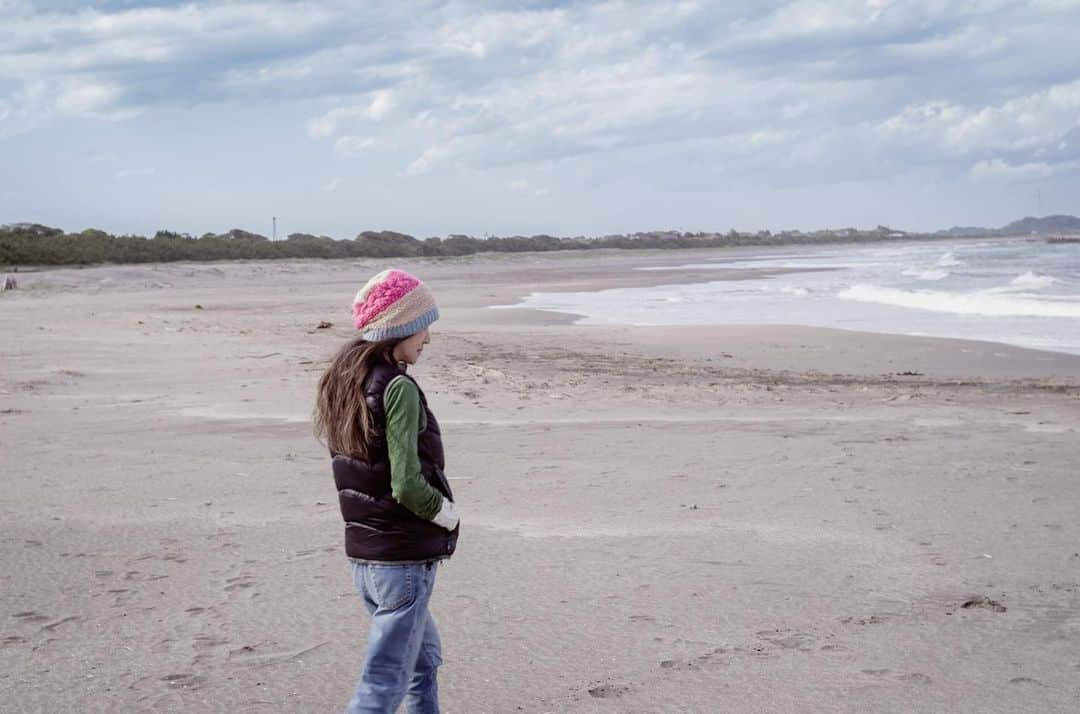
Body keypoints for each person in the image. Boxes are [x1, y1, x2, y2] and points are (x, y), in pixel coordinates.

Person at [314, 268, 460, 714]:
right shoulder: (398, 387)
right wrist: (447, 514)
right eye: (422, 326)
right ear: (398, 327)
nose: (427, 339)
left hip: (365, 557)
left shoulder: (346, 379)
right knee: (383, 683)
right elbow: (406, 484)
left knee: (422, 662)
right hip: (401, 560)